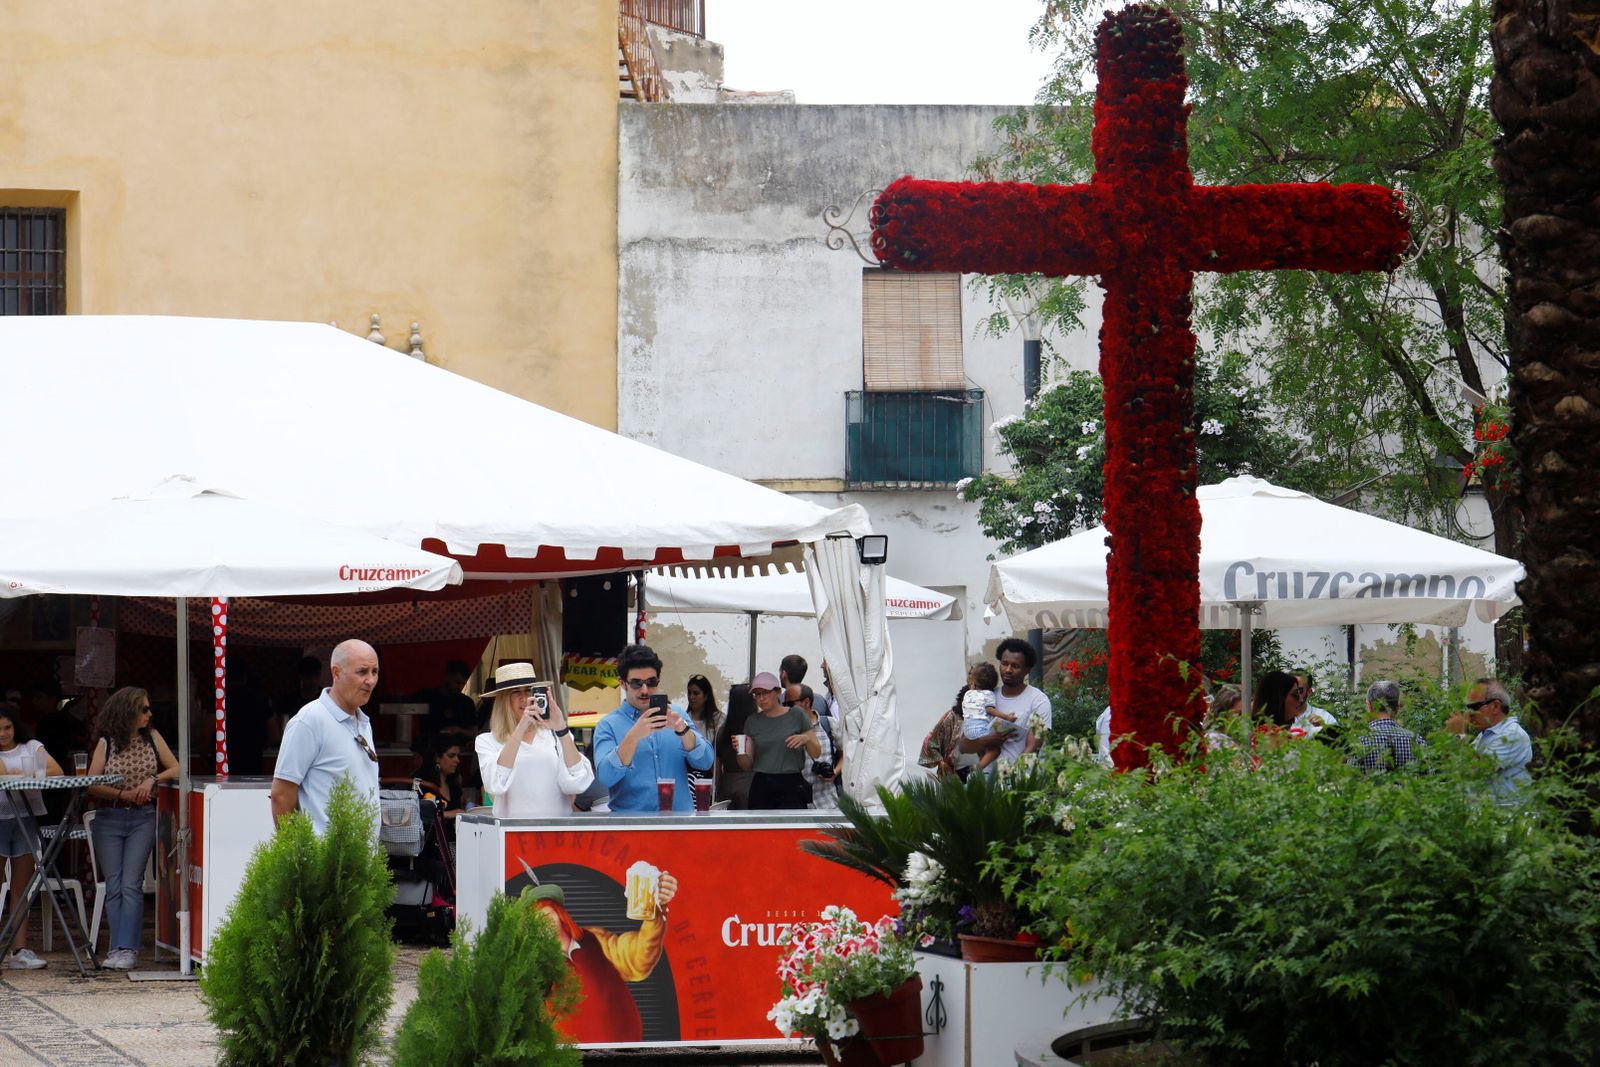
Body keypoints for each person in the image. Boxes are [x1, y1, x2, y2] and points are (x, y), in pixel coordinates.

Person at [84, 686, 179, 970]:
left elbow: (177, 767)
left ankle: (128, 948)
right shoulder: (107, 743)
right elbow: (92, 782)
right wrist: (122, 795)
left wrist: (152, 779)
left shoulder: (152, 738)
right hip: (110, 816)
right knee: (114, 884)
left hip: (142, 815)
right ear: (128, 711)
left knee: (131, 883)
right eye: (144, 709)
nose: (149, 714)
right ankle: (117, 947)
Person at [525, 869, 678, 1043]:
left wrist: (655, 909)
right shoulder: (536, 966)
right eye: (536, 920)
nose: (544, 923)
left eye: (547, 914)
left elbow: (638, 959)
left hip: (626, 1051)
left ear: (560, 914)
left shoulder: (594, 940)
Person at [271, 638, 382, 836]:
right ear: (336, 673)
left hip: (361, 860)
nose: (371, 680)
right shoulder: (309, 720)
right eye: (362, 671)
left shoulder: (363, 721)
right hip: (322, 862)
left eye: (375, 672)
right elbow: (281, 795)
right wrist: (298, 857)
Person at [594, 644, 713, 813]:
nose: (645, 690)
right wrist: (633, 736)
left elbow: (706, 762)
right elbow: (606, 778)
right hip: (632, 828)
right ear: (622, 683)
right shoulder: (608, 725)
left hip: (678, 824)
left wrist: (683, 731)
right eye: (636, 683)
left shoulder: (676, 715)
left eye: (651, 682)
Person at [474, 663, 593, 818]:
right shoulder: (487, 741)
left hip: (556, 832)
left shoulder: (554, 734)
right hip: (513, 834)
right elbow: (495, 785)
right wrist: (521, 728)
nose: (524, 698)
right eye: (515, 692)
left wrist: (561, 728)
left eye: (529, 690)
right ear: (503, 701)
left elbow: (580, 779)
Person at [0, 703, 63, 969]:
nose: (3, 734)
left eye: (7, 727)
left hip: (24, 818)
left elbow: (57, 771)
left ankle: (19, 949)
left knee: (20, 889)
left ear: (16, 726)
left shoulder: (31, 747)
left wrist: (26, 773)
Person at [959, 638, 1052, 768]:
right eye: (1004, 663)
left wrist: (1012, 776)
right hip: (987, 782)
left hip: (1021, 781)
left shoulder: (1038, 700)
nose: (1008, 670)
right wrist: (988, 740)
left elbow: (1034, 746)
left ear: (1027, 670)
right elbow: (963, 746)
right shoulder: (986, 697)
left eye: (1015, 666)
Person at [736, 671, 819, 809]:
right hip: (762, 784)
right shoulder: (752, 721)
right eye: (757, 694)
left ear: (778, 692)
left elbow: (816, 752)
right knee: (762, 829)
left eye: (765, 693)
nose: (761, 698)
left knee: (792, 829)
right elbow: (746, 765)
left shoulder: (796, 714)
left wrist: (806, 739)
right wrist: (740, 750)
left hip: (791, 783)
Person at [1447, 677, 1532, 803]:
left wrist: (1460, 735)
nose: (1468, 714)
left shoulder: (1512, 735)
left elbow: (1475, 772)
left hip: (1508, 819)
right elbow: (1461, 769)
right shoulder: (1485, 735)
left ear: (1496, 706)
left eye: (1474, 707)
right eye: (1467, 707)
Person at [1351, 679, 1423, 772]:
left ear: (1369, 706)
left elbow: (1349, 780)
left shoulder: (1358, 742)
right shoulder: (1417, 741)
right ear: (1397, 707)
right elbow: (1429, 778)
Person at [958, 662, 1015, 772]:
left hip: (968, 731)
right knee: (995, 750)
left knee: (982, 749)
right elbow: (990, 710)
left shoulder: (968, 693)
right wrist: (1006, 717)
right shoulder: (989, 695)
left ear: (973, 683)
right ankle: (977, 769)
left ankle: (982, 760)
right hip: (980, 730)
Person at [791, 684, 840, 808]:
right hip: (798, 805)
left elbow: (847, 753)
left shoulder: (828, 724)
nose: (787, 708)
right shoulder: (787, 729)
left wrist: (835, 771)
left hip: (829, 802)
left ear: (806, 702)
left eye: (790, 704)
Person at [714, 684, 756, 808]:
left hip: (728, 785)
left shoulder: (722, 731)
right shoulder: (757, 729)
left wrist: (717, 791)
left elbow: (716, 766)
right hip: (752, 785)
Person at [920, 688, 977, 779]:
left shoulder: (983, 718)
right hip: (951, 772)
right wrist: (940, 761)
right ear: (961, 700)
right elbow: (931, 739)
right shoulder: (952, 717)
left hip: (977, 770)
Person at [420, 659, 479, 741]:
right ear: (447, 676)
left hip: (459, 751)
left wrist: (459, 730)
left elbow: (474, 733)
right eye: (457, 682)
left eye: (463, 684)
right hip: (430, 749)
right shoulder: (427, 697)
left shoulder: (466, 702)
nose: (460, 687)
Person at [415, 734, 468, 814]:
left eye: (458, 756)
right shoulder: (421, 784)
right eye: (451, 756)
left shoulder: (454, 783)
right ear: (436, 758)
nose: (457, 760)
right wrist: (446, 814)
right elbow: (416, 814)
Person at [1291, 671, 1339, 738]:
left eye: (1299, 690)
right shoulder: (1276, 717)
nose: (1294, 695)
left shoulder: (1325, 717)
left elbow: (1339, 744)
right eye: (1290, 690)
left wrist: (1324, 728)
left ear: (1309, 692)